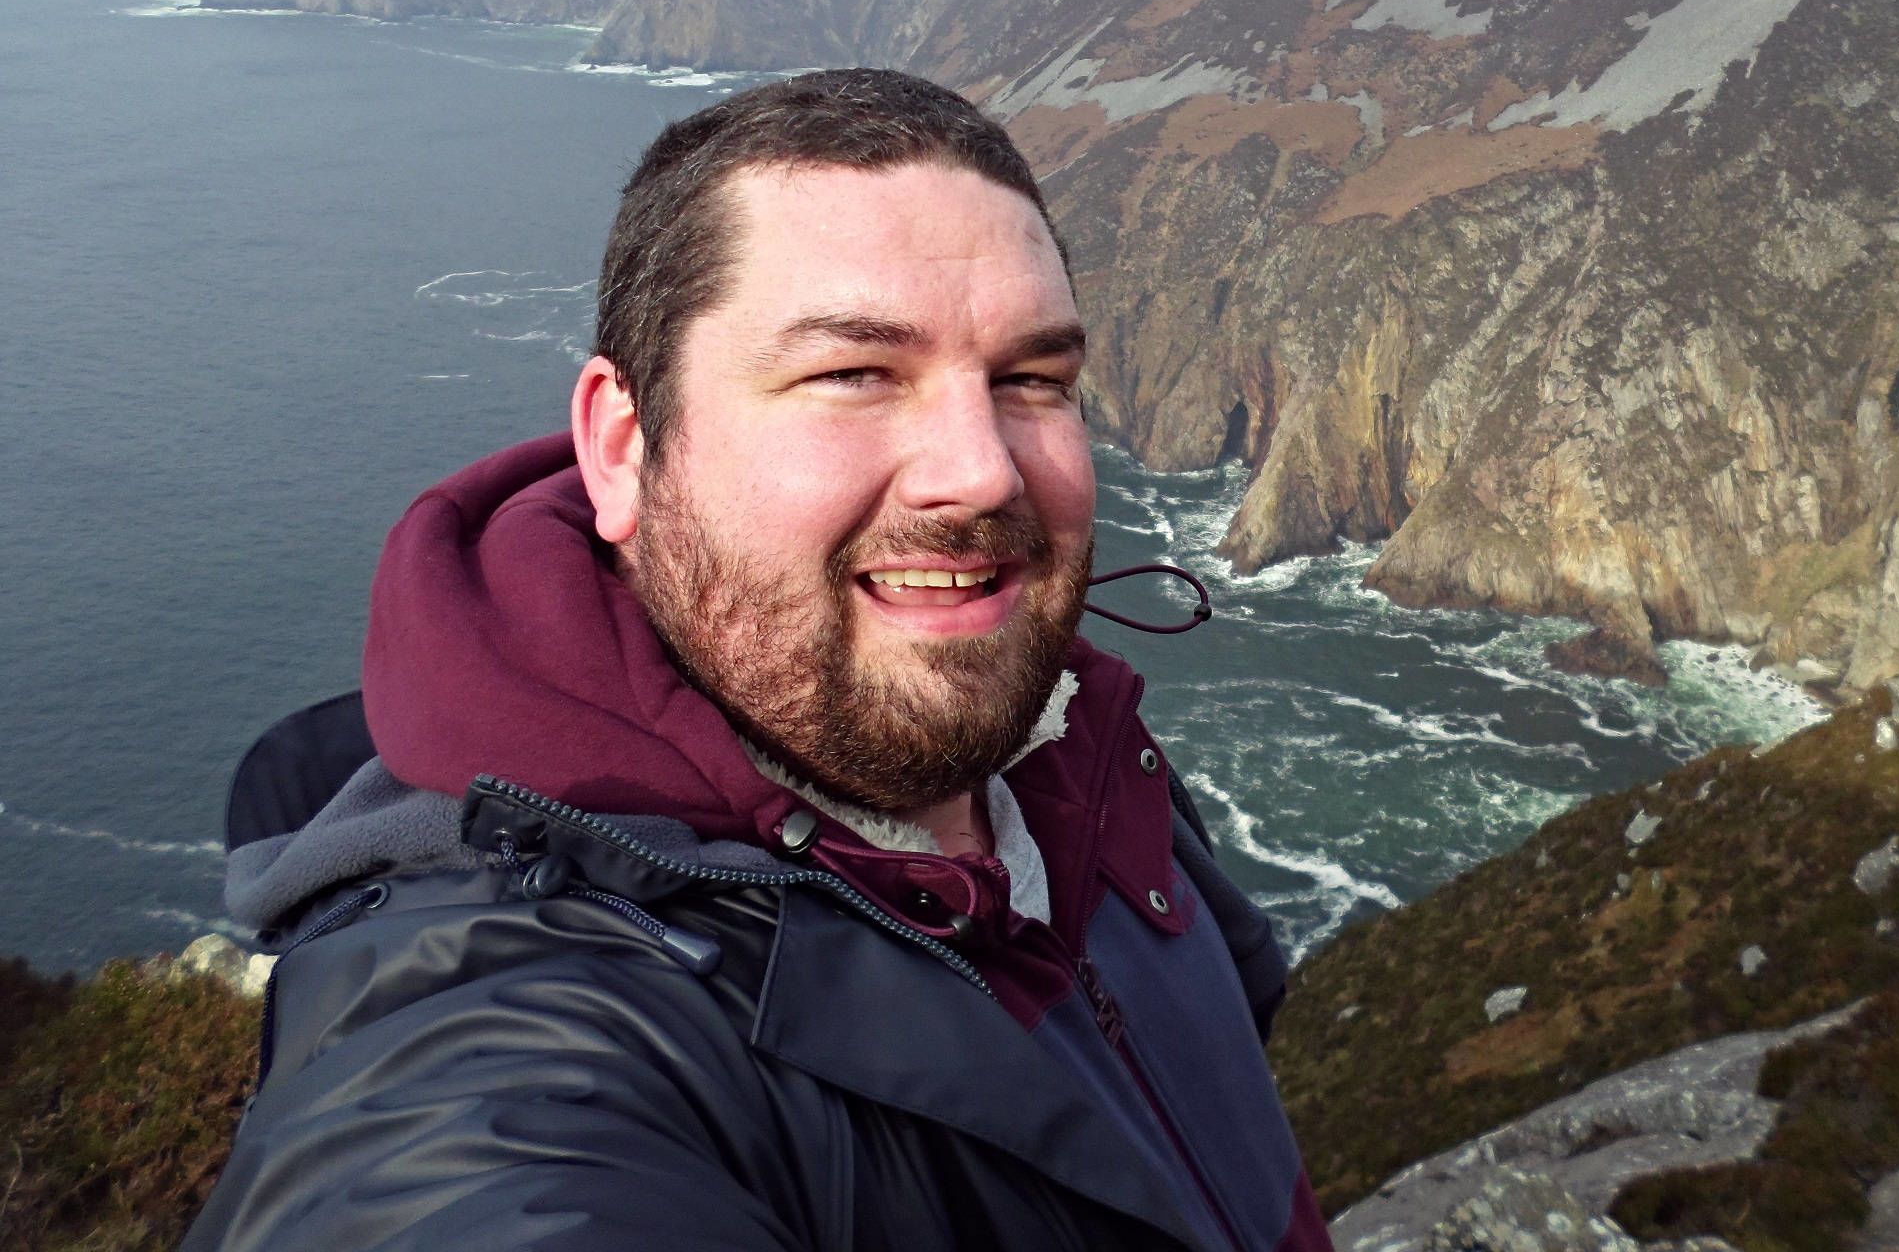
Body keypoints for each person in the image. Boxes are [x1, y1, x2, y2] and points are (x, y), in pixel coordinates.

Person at [184, 70, 1331, 1251]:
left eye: (1031, 380)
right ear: (623, 448)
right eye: (854, 373)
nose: (981, 470)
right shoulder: (511, 1027)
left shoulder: (1079, 755)